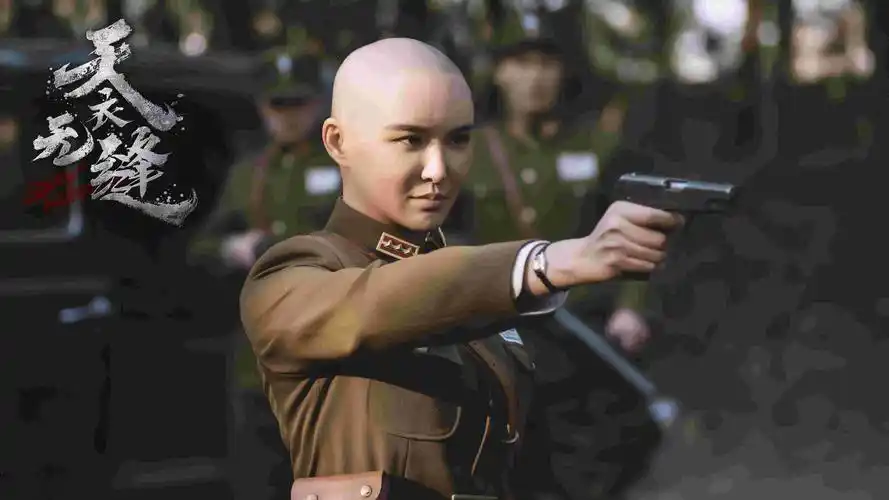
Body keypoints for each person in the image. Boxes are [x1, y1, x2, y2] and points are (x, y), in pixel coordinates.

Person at [239, 37, 682, 499]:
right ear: (338, 142)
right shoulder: (289, 278)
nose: (438, 169)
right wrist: (542, 263)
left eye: (458, 140)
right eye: (409, 139)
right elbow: (383, 299)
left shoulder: (488, 314)